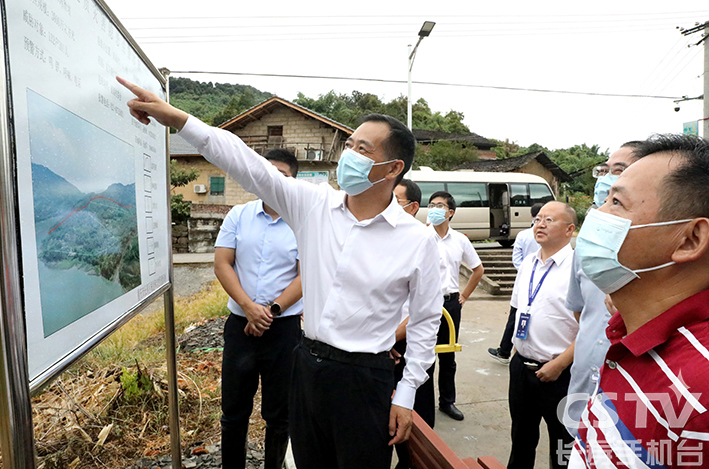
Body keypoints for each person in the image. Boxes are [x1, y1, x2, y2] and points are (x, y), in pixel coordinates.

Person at [117, 77, 443, 469]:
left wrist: (406, 393)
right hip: (308, 366)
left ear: (393, 168)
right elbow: (249, 165)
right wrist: (178, 118)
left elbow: (425, 321)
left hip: (365, 379)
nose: (349, 155)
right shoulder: (313, 205)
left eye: (362, 149)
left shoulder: (415, 239)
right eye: (349, 145)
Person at [569, 134, 709, 468]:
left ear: (690, 239)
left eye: (616, 203)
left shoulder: (699, 389)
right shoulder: (628, 332)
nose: (596, 214)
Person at [213, 148, 303, 469]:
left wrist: (270, 311)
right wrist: (249, 308)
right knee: (234, 411)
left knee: (280, 415)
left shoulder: (303, 221)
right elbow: (223, 264)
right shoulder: (239, 214)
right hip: (241, 328)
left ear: (294, 181)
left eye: (284, 176)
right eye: (270, 174)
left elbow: (305, 275)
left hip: (284, 331)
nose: (275, 182)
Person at [562, 142, 641, 437]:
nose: (607, 178)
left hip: (633, 408)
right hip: (582, 391)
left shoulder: (661, 257)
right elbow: (580, 311)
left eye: (618, 171)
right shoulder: (587, 247)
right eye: (604, 170)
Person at [507, 201, 578, 469]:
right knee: (521, 437)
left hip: (559, 373)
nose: (540, 224)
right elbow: (519, 309)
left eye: (549, 220)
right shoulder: (528, 262)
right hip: (522, 367)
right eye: (538, 219)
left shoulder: (577, 269)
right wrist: (516, 350)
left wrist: (559, 365)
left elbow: (591, 329)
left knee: (562, 444)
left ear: (570, 229)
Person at [428, 191, 484, 421]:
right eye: (431, 205)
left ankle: (447, 402)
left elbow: (478, 269)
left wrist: (464, 296)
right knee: (423, 354)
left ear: (450, 213)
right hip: (425, 304)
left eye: (439, 205)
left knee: (448, 356)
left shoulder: (460, 240)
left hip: (450, 305)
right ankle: (421, 403)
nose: (433, 209)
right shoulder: (420, 236)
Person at [391, 179, 436, 469]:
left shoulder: (422, 242)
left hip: (406, 342)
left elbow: (425, 313)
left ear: (412, 207)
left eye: (397, 200)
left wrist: (388, 338)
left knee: (415, 421)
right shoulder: (376, 238)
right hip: (378, 346)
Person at [488, 202, 543, 365]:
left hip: (525, 282)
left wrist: (526, 271)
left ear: (531, 215)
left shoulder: (524, 235)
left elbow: (516, 258)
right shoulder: (547, 235)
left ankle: (506, 350)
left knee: (517, 317)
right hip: (531, 282)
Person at [511, 203, 544, 270]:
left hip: (526, 271)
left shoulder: (522, 235)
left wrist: (524, 271)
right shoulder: (552, 234)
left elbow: (516, 258)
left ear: (531, 216)